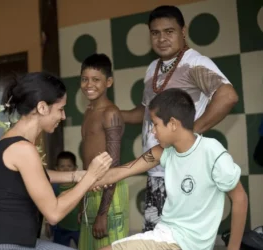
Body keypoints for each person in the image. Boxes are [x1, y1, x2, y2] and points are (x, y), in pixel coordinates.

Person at [120, 5, 239, 232]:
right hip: (157, 170)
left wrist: (189, 133)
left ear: (183, 31)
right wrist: (116, 113)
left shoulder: (195, 62)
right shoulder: (153, 68)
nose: (162, 38)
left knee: (181, 241)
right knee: (155, 239)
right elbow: (145, 114)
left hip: (183, 171)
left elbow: (228, 96)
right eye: (155, 33)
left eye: (169, 31)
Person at [93, 88, 247, 250]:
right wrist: (86, 180)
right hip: (165, 236)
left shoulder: (211, 151)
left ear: (173, 124)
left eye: (155, 124)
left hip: (179, 244)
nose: (152, 131)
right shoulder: (165, 152)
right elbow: (123, 171)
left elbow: (240, 198)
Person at [0, 72, 112, 250]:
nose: (63, 117)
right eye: (60, 109)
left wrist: (77, 175)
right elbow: (54, 213)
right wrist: (90, 177)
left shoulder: (9, 142)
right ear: (42, 107)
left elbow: (35, 175)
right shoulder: (23, 149)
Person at [79, 53, 129, 250]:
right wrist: (83, 199)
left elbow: (113, 165)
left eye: (96, 80)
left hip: (110, 191)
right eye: (84, 79)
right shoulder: (89, 111)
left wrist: (102, 214)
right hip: (90, 189)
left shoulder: (111, 113)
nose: (88, 84)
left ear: (109, 82)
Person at [45, 151, 81, 247]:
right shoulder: (54, 187)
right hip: (60, 228)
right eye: (62, 166)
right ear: (56, 169)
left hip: (78, 227)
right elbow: (48, 205)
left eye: (69, 166)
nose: (65, 169)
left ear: (75, 168)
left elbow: (84, 201)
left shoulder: (79, 185)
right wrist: (47, 223)